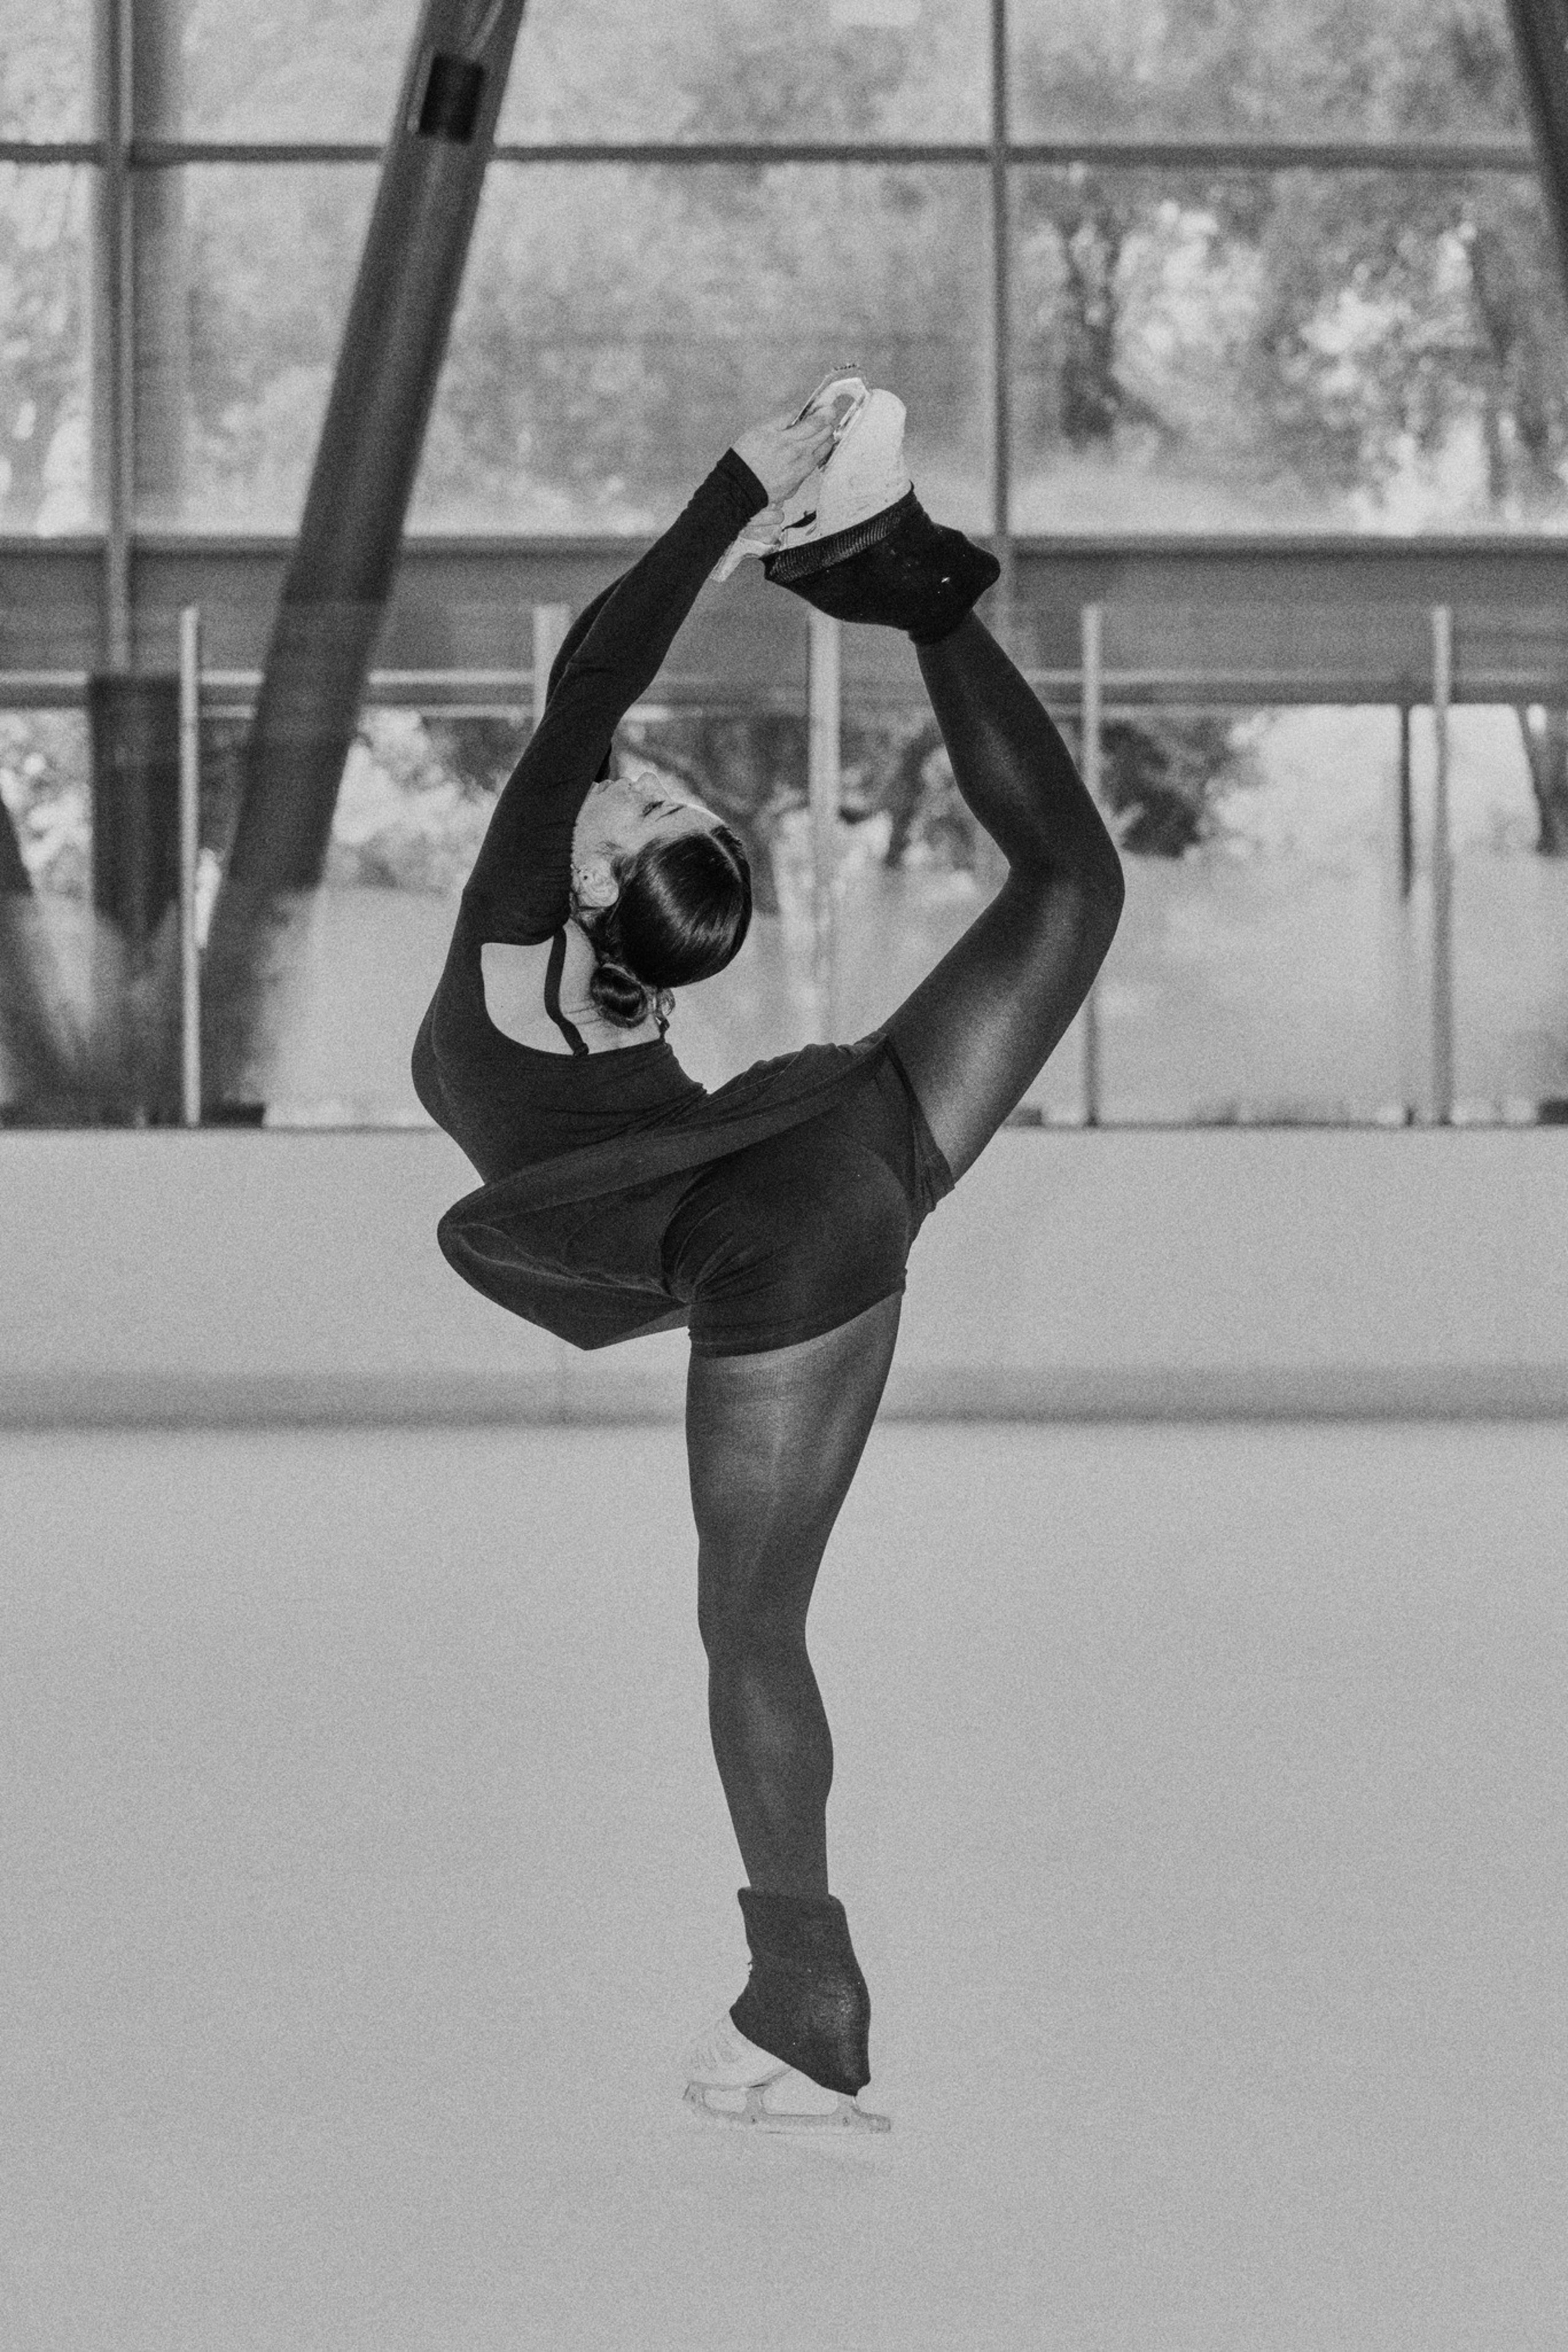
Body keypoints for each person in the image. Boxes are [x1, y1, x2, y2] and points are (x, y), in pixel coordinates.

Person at [411, 384, 1124, 2132]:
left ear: (583, 894)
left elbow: (591, 675)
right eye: (632, 797)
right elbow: (594, 696)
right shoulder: (573, 960)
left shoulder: (526, 955)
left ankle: (804, 1994)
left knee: (750, 1622)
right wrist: (749, 503)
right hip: (841, 1158)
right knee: (1068, 886)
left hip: (782, 1214)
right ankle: (908, 586)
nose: (612, 775)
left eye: (630, 802)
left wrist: (738, 481)